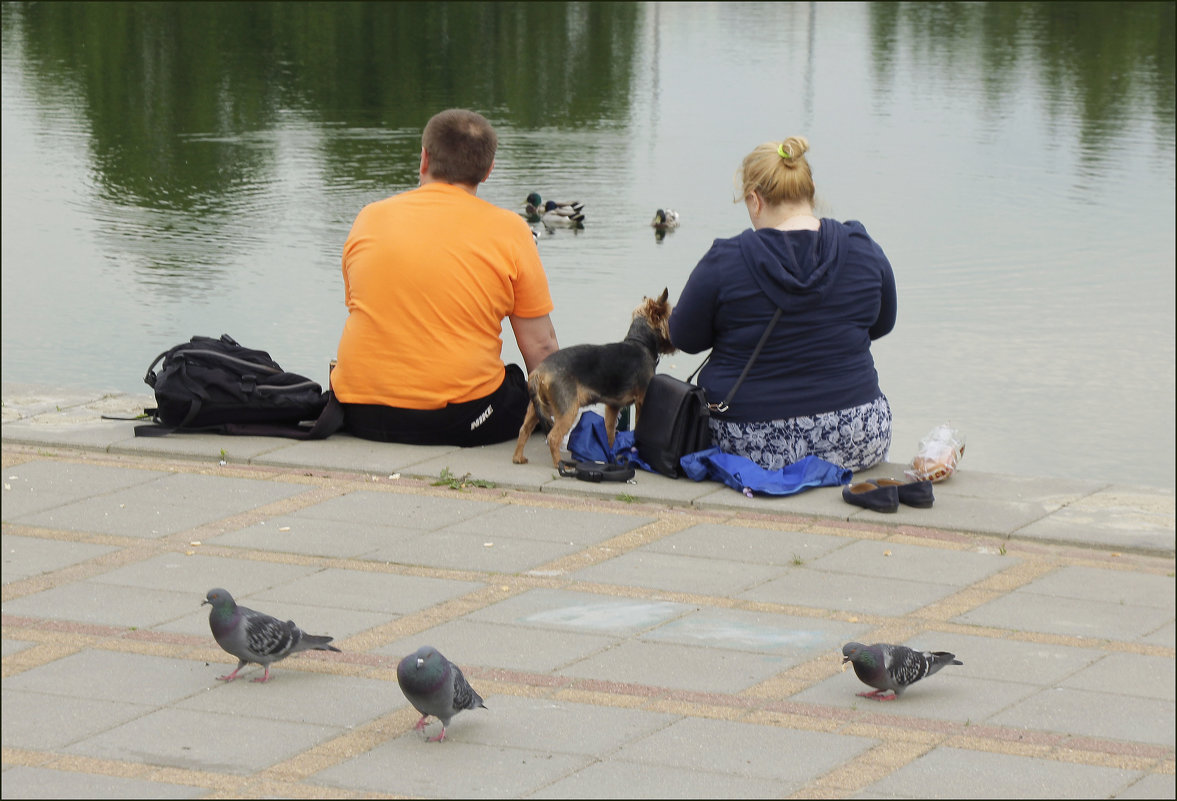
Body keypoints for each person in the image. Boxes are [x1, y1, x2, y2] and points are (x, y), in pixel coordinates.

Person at [331, 109, 559, 446]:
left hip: (357, 412)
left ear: (424, 158)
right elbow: (540, 346)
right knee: (514, 385)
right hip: (456, 419)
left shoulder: (370, 217)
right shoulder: (510, 230)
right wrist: (558, 422)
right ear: (489, 170)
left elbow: (357, 304)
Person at [668, 136, 896, 471]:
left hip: (751, 442)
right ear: (811, 190)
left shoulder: (725, 260)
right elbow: (883, 323)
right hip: (858, 436)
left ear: (754, 200)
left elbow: (684, 338)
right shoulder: (864, 248)